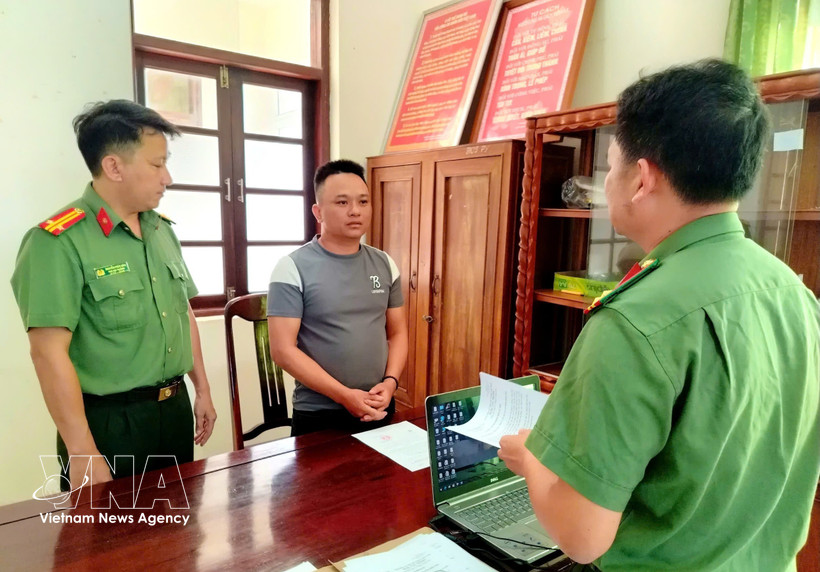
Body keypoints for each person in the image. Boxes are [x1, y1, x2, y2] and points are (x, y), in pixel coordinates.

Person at [499, 59, 820, 571]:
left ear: (641, 178)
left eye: (612, 165)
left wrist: (532, 459)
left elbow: (582, 538)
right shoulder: (792, 291)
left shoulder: (635, 321)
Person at [11, 100, 217, 491]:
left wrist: (202, 389)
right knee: (107, 546)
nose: (167, 177)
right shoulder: (58, 241)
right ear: (114, 166)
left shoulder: (161, 230)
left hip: (172, 413)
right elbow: (48, 353)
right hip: (109, 424)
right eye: (157, 165)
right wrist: (83, 452)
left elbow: (181, 312)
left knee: (176, 541)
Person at [267, 159, 408, 436]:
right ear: (318, 212)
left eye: (363, 202)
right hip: (319, 415)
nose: (355, 211)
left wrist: (391, 383)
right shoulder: (292, 267)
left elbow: (398, 332)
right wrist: (344, 395)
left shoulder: (385, 264)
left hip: (379, 406)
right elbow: (282, 350)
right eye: (342, 203)